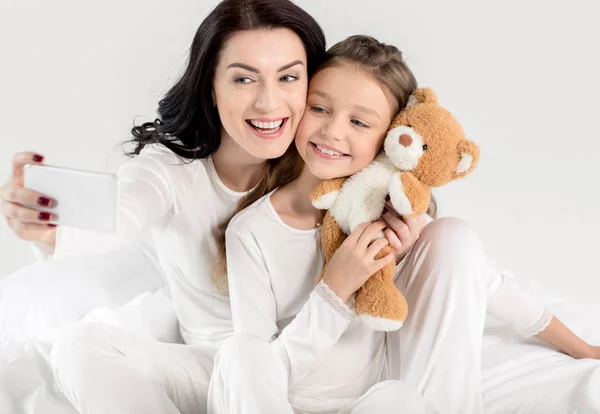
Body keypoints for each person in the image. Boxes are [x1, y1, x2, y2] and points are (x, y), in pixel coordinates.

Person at [208, 35, 600, 414]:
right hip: (293, 402)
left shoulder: (387, 214)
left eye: (360, 122)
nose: (332, 131)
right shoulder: (252, 231)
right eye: (320, 108)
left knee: (450, 236)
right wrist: (335, 289)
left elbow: (483, 280)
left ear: (391, 139)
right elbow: (255, 373)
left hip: (381, 397)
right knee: (240, 351)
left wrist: (583, 349)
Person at [1, 0, 327, 412]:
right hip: (213, 371)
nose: (268, 102)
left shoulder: (326, 159)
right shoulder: (171, 171)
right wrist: (52, 227)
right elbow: (122, 213)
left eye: (288, 78)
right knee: (77, 345)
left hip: (318, 372)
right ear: (211, 86)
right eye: (244, 79)